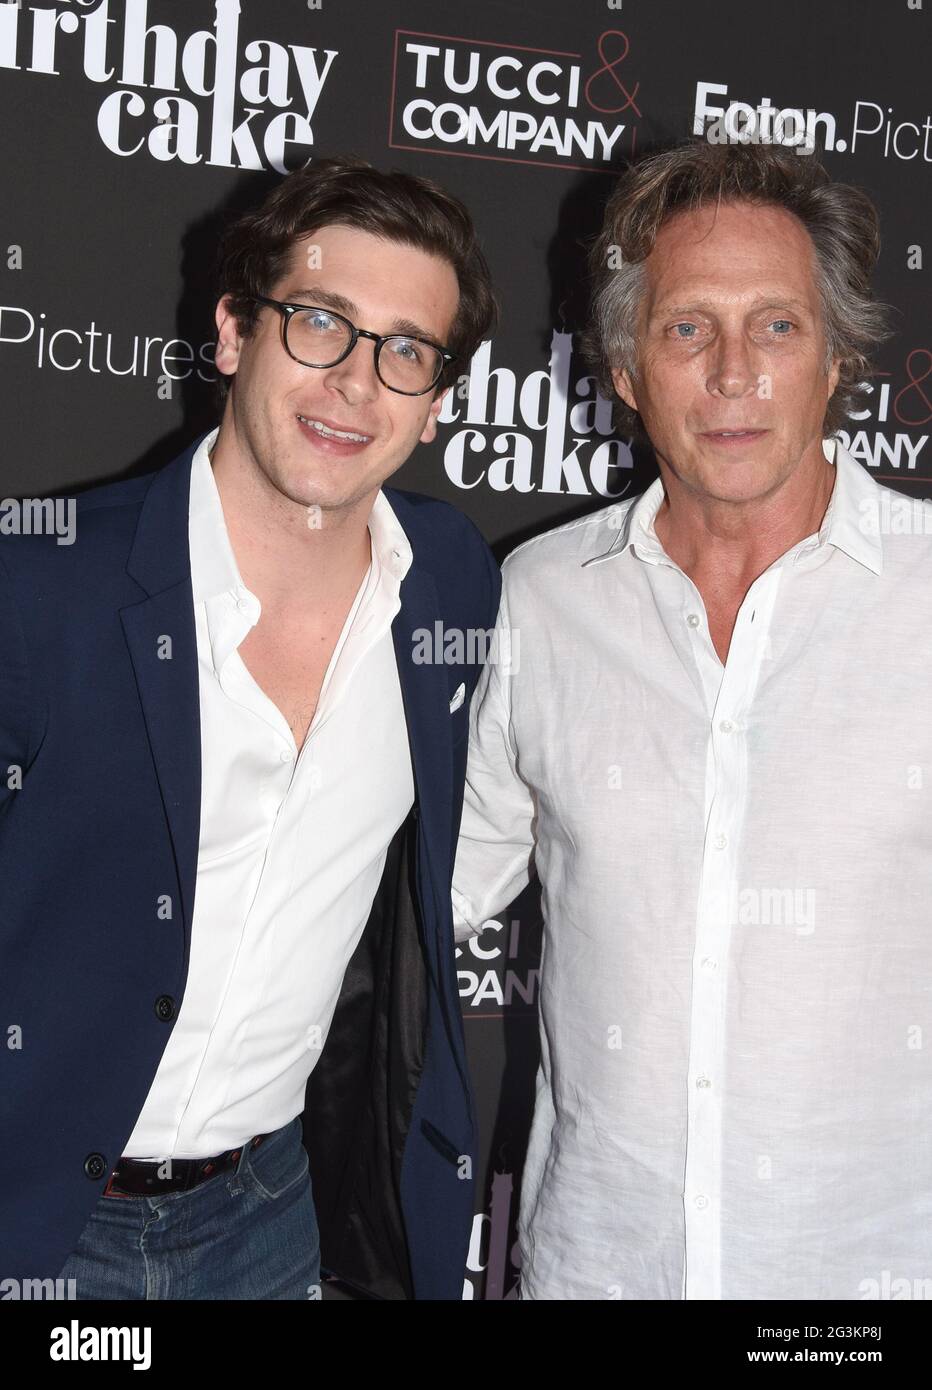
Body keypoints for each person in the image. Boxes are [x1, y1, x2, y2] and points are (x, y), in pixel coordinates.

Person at [0, 155, 500, 1300]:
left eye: (404, 352)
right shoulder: (39, 587)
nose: (354, 385)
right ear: (232, 332)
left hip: (270, 1217)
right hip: (36, 1220)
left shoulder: (451, 587)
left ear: (432, 406)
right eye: (319, 322)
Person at [452, 137, 932, 1299]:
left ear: (833, 363)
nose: (731, 373)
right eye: (684, 329)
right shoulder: (542, 601)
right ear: (622, 368)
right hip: (598, 1272)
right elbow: (425, 894)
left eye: (775, 326)